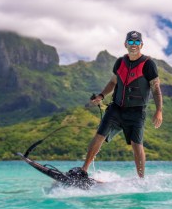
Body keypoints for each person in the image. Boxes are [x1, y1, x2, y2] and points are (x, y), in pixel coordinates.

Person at [68, 31, 163, 179]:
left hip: (136, 112)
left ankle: (141, 180)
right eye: (130, 42)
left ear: (141, 45)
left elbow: (156, 89)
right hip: (116, 108)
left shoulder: (148, 64)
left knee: (136, 144)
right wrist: (101, 96)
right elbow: (113, 82)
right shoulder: (120, 62)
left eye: (136, 42)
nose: (133, 45)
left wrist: (159, 111)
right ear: (125, 44)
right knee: (99, 136)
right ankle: (84, 170)